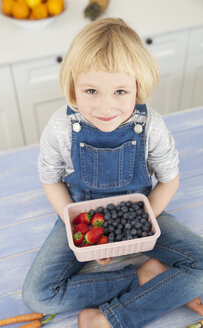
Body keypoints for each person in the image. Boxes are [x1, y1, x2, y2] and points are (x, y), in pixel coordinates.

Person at [22, 18, 203, 328]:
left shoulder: (152, 126)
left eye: (120, 91)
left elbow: (169, 180)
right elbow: (50, 179)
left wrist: (136, 234)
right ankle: (147, 277)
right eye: (91, 90)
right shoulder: (61, 126)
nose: (106, 106)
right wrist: (90, 238)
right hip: (79, 213)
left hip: (141, 213)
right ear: (73, 87)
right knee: (38, 295)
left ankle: (109, 319)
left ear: (138, 87)